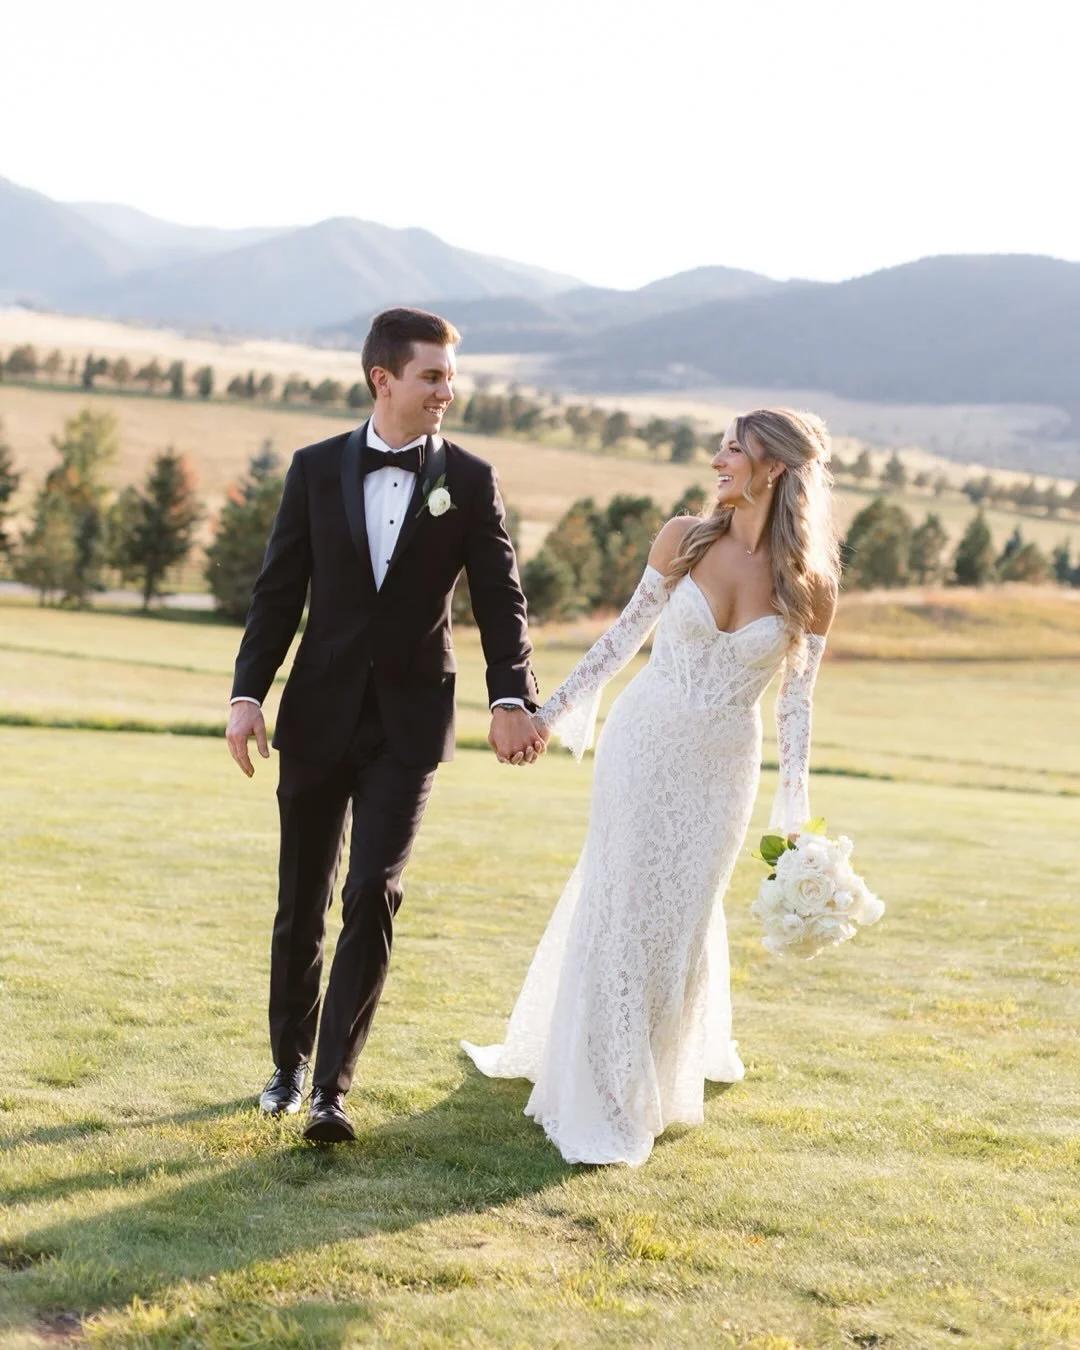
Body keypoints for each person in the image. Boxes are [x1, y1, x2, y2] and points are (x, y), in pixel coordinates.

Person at [463, 407, 841, 1166]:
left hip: (724, 766)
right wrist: (544, 715)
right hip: (643, 745)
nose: (717, 460)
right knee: (624, 902)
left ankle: (655, 1071)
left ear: (774, 467)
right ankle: (605, 1087)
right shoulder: (682, 539)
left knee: (682, 917)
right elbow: (619, 642)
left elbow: (796, 706)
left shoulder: (812, 585)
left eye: (733, 450)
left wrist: (795, 816)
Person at [226, 307, 543, 1143]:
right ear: (383, 379)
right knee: (302, 899)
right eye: (432, 375)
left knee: (374, 889)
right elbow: (277, 593)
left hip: (409, 724)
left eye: (450, 376)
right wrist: (247, 693)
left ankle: (332, 1091)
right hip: (317, 714)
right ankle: (288, 1066)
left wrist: (511, 697)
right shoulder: (314, 468)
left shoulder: (469, 479)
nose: (448, 391)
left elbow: (501, 598)